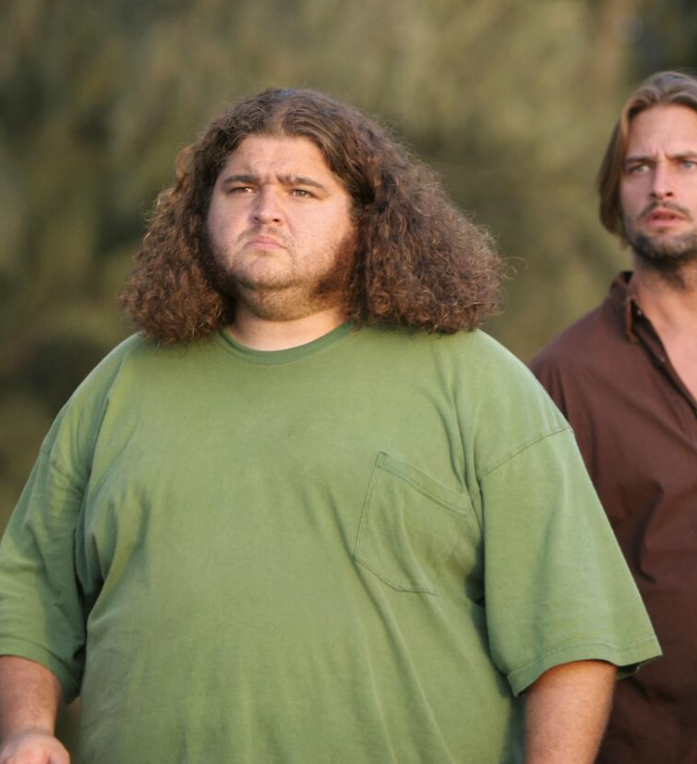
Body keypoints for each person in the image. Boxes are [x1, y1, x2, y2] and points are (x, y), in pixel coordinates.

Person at [0, 88, 661, 764]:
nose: (266, 209)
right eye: (241, 186)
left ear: (365, 219)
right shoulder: (120, 386)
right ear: (202, 211)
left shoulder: (476, 383)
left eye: (302, 190)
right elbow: (28, 589)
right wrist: (25, 727)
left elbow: (572, 632)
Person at [530, 71, 697, 762]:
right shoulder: (563, 377)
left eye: (686, 164)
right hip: (643, 745)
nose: (660, 186)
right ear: (618, 195)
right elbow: (539, 596)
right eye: (639, 168)